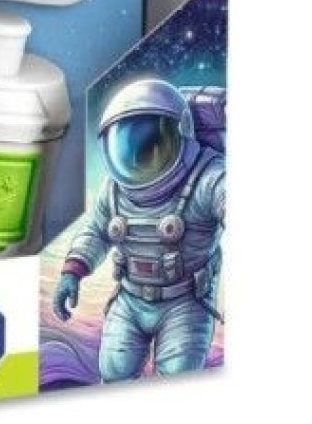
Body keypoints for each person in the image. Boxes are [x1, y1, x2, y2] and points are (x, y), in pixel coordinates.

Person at [53, 78, 224, 380]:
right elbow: (96, 230)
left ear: (181, 133)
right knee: (113, 372)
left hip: (185, 302)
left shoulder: (208, 177)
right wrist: (72, 272)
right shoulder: (114, 189)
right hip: (130, 299)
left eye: (152, 144)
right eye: (127, 145)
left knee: (179, 377)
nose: (140, 156)